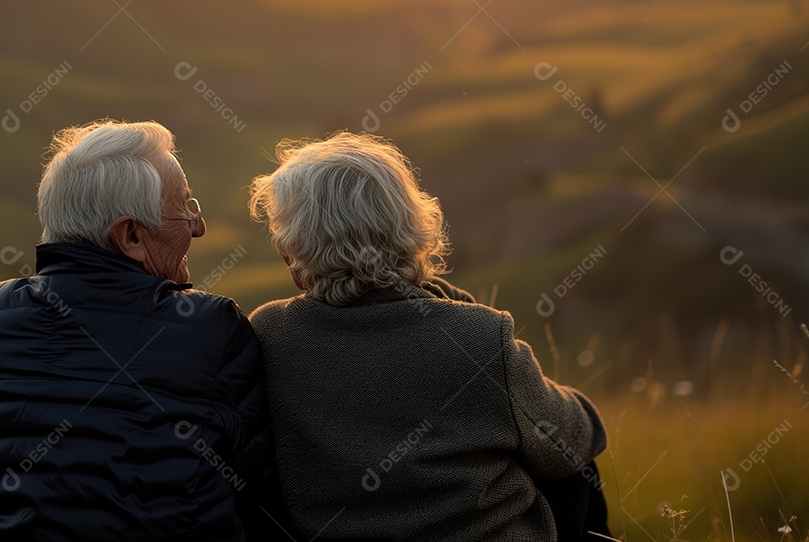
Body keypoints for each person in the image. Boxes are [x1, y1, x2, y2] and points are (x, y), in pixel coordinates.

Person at [247, 132, 611, 542]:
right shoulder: (480, 338)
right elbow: (578, 437)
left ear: (297, 250)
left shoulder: (270, 333)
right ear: (411, 222)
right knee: (570, 463)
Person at [0, 120, 273, 540]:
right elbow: (257, 487)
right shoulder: (213, 327)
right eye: (184, 209)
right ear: (129, 235)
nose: (197, 227)